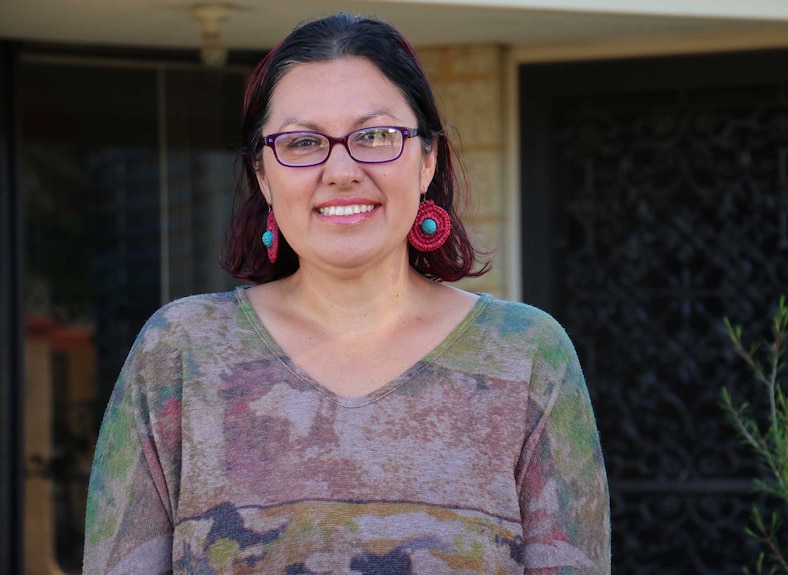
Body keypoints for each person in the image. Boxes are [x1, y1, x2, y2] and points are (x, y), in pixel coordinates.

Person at [83, 12, 610, 575]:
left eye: (375, 136)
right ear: (262, 175)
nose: (341, 170)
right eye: (303, 142)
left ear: (427, 159)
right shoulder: (180, 353)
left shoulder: (527, 355)